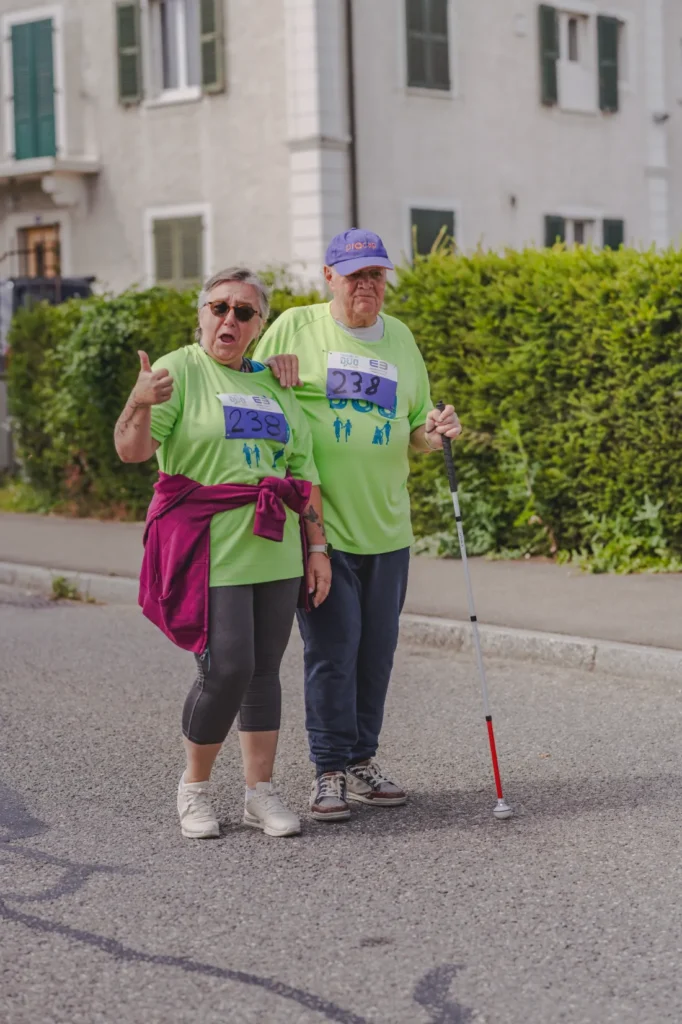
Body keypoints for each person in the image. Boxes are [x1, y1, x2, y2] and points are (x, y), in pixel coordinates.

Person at [114, 268, 331, 840]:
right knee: (227, 667)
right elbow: (132, 450)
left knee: (264, 672)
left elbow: (301, 473)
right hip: (209, 546)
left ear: (260, 326)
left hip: (276, 542)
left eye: (244, 312)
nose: (228, 319)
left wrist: (317, 548)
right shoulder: (180, 368)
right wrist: (137, 403)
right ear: (201, 315)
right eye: (219, 308)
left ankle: (260, 793)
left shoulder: (274, 384)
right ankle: (194, 789)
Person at [254, 229, 462, 821]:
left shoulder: (401, 338)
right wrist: (270, 367)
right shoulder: (296, 326)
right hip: (321, 529)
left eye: (376, 274)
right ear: (329, 277)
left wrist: (437, 430)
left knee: (376, 652)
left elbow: (417, 429)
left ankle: (362, 759)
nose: (366, 285)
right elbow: (247, 380)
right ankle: (328, 771)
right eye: (354, 275)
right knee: (333, 649)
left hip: (388, 527)